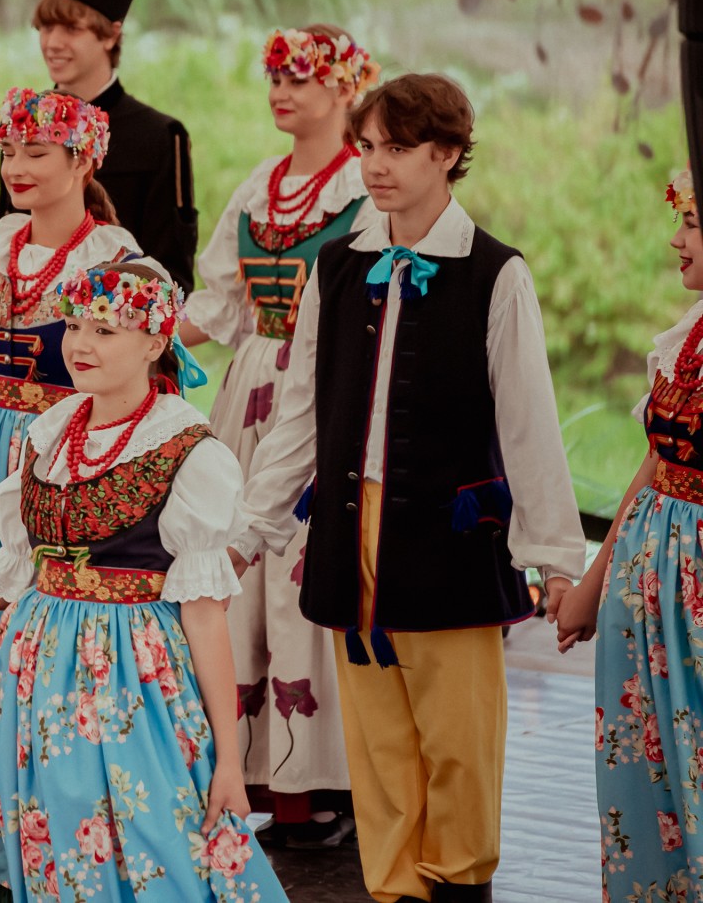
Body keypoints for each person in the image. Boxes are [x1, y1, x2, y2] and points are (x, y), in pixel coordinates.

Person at [0, 260, 288, 902]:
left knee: (162, 850)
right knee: (62, 859)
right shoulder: (49, 435)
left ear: (155, 342)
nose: (81, 344)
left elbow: (205, 613)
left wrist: (230, 761)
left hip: (134, 685)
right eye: (74, 326)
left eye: (105, 331)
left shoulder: (190, 451)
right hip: (39, 687)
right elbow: (3, 579)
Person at [230, 73, 585, 903]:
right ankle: (394, 891)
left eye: (397, 147)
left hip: (448, 541)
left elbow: (530, 426)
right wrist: (248, 529)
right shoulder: (336, 266)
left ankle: (460, 884)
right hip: (349, 534)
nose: (376, 166)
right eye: (367, 147)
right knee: (379, 747)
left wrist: (556, 560)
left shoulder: (494, 273)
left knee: (458, 741)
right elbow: (301, 414)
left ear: (447, 153)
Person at [0, 87, 160, 899]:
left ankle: (47, 847)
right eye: (8, 152)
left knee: (36, 649)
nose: (15, 167)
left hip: (62, 458)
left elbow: (138, 385)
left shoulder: (114, 259)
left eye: (35, 152)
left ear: (83, 161)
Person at [179, 26, 379, 846]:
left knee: (304, 571)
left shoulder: (366, 186)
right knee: (241, 566)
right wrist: (133, 338)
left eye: (300, 78)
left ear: (345, 88)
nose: (282, 92)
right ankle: (257, 772)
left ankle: (324, 781)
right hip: (254, 383)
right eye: (275, 78)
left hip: (329, 387)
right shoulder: (261, 184)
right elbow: (218, 303)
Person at [0, 0, 246, 295]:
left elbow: (172, 276)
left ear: (111, 34)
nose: (52, 43)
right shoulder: (23, 123)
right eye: (45, 28)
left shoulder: (160, 136)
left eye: (71, 29)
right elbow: (2, 248)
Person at [556, 169, 703, 899]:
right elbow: (655, 462)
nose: (676, 239)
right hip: (647, 586)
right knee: (652, 782)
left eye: (692, 223)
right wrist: (592, 584)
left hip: (695, 596)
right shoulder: (688, 338)